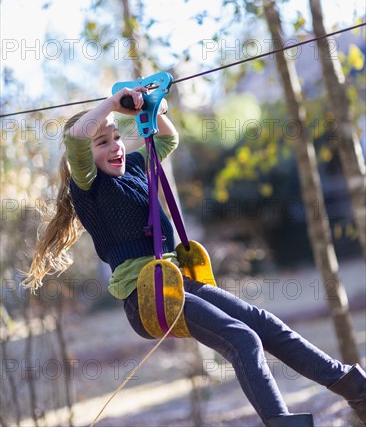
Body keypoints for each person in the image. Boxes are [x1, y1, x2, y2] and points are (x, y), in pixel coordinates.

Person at [24, 88, 366, 427]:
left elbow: (168, 139)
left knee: (263, 323)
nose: (115, 146)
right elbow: (75, 135)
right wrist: (114, 104)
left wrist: (150, 109)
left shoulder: (136, 167)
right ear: (85, 155)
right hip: (145, 298)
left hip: (176, 283)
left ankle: (356, 388)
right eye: (103, 143)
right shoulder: (89, 184)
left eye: (116, 137)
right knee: (242, 340)